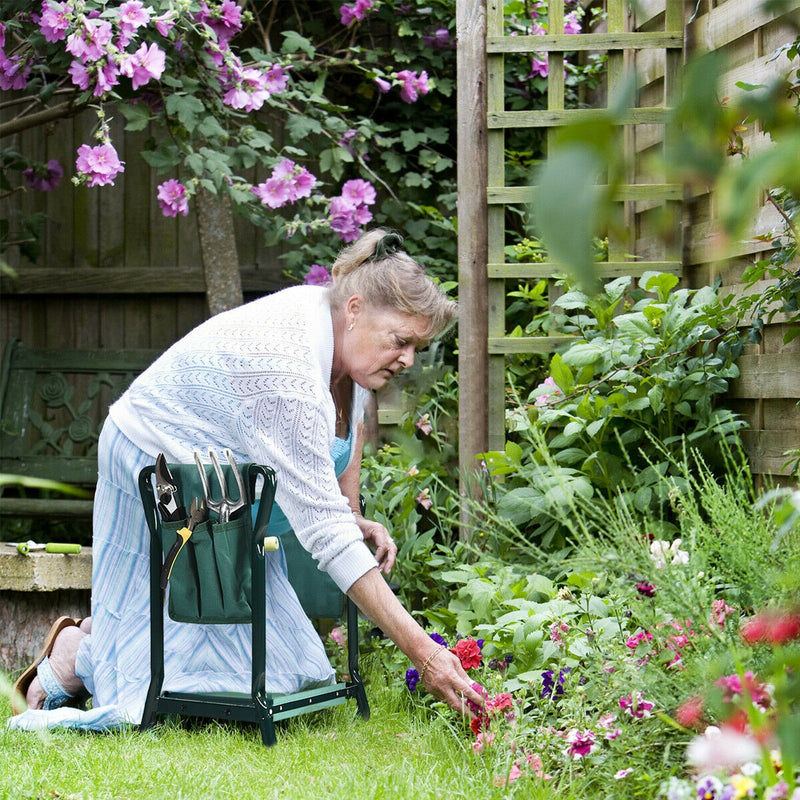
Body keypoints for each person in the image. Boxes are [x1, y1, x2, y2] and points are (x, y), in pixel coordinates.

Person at [9, 228, 485, 731]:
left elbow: (349, 425)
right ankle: (79, 652)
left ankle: (89, 644)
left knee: (280, 675)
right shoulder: (288, 373)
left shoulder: (341, 336)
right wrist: (424, 654)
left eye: (417, 346)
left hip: (226, 473)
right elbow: (326, 536)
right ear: (354, 308)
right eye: (402, 341)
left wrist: (352, 513)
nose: (409, 359)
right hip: (155, 454)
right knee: (163, 674)